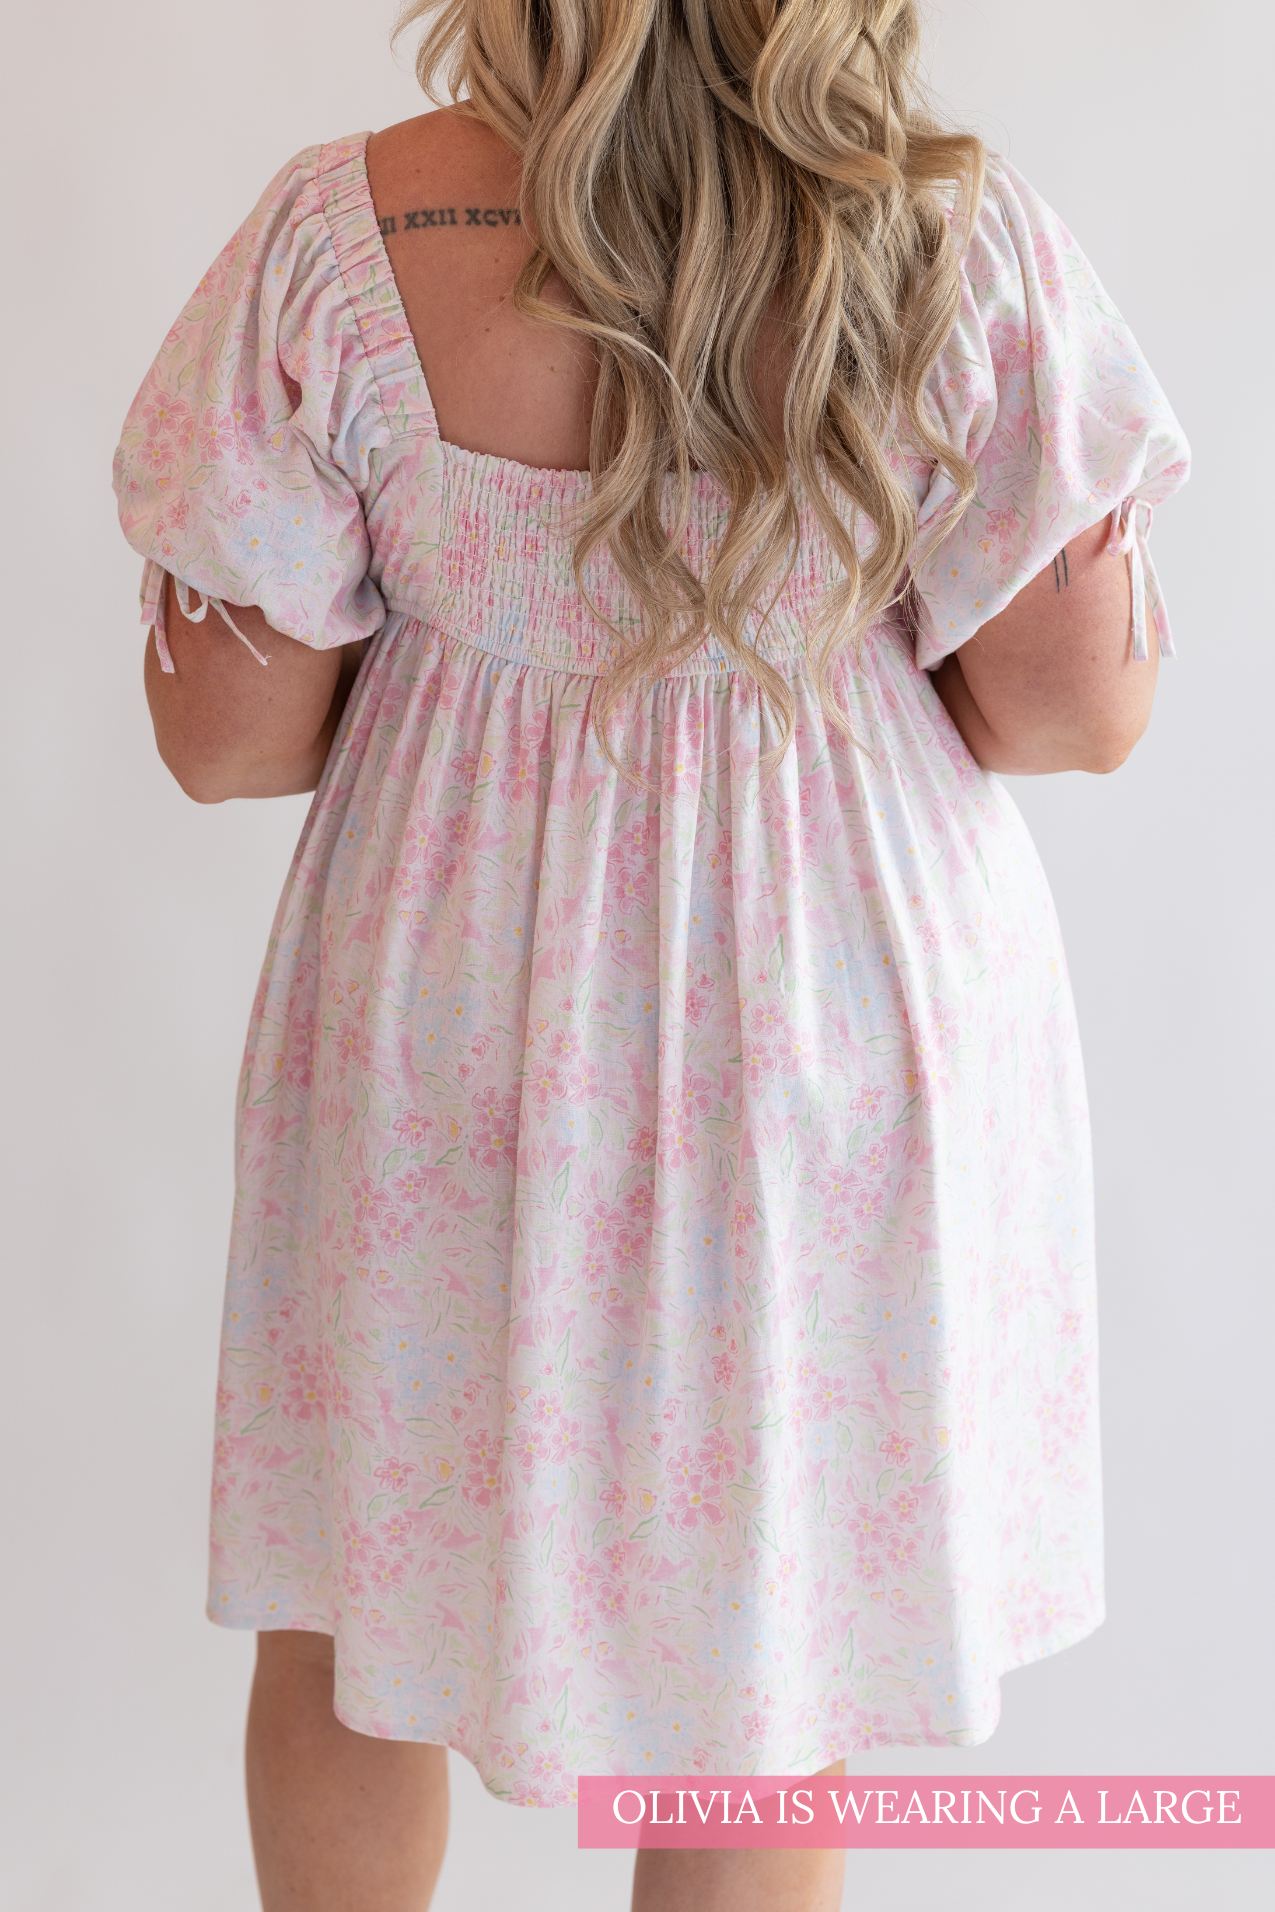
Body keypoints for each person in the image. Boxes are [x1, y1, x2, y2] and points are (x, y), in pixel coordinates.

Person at [112, 2, 1188, 1907]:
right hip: (832, 1020)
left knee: (359, 1617)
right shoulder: (943, 236)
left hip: (452, 1010)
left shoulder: (345, 234)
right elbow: (1064, 713)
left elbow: (229, 743)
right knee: (755, 1668)